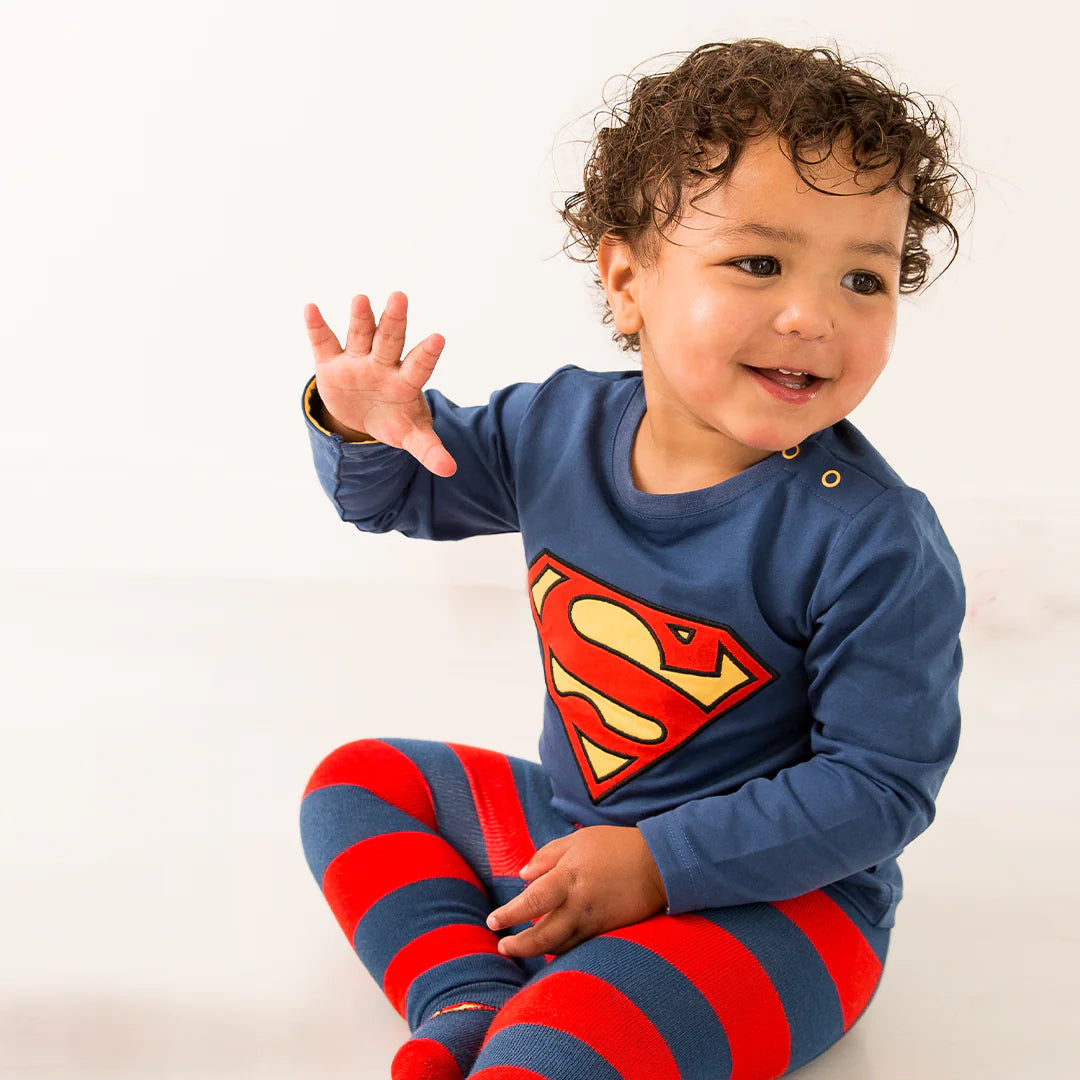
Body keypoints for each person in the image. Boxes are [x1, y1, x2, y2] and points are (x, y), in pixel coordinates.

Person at [297, 38, 969, 1080]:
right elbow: (402, 495)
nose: (814, 315)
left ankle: (540, 1018)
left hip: (780, 909)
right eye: (759, 263)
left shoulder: (874, 539)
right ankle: (464, 995)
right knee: (357, 783)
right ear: (627, 281)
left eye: (863, 278)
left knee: (567, 1039)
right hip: (580, 833)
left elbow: (879, 787)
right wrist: (362, 427)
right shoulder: (556, 428)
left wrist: (657, 866)